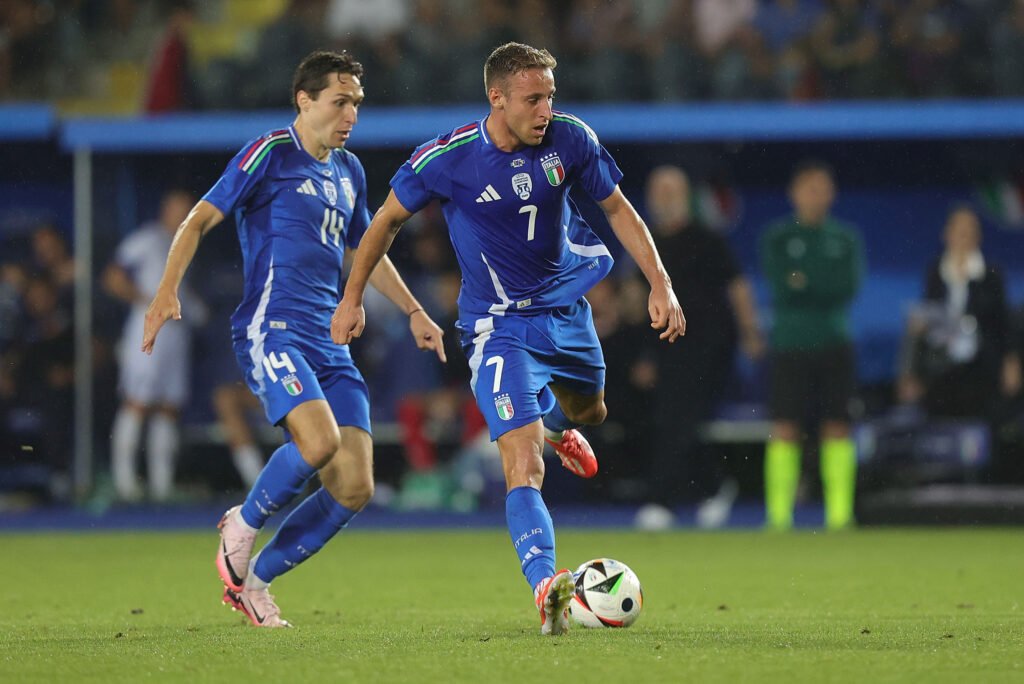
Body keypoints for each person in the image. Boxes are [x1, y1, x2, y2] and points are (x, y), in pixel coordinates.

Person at [332, 42, 685, 635]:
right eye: (532, 98)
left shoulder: (571, 139)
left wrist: (660, 283)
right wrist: (350, 299)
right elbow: (384, 222)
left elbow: (619, 208)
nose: (545, 108)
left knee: (591, 410)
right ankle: (547, 582)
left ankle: (557, 421)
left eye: (550, 95)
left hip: (567, 310)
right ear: (496, 98)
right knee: (523, 464)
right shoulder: (448, 159)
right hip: (498, 327)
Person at [142, 50, 445, 628]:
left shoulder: (348, 171)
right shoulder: (270, 153)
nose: (350, 113)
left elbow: (365, 250)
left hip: (329, 340)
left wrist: (413, 310)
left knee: (355, 484)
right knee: (318, 442)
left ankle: (255, 584)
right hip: (273, 328)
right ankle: (243, 522)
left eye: (356, 102)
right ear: (305, 101)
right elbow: (200, 218)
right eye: (340, 101)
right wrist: (166, 290)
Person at [636, 166, 763, 530]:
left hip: (707, 344)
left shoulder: (708, 239)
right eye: (658, 191)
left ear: (686, 196)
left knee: (680, 416)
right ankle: (713, 487)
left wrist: (751, 332)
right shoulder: (645, 242)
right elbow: (636, 297)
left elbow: (738, 287)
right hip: (664, 345)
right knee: (675, 419)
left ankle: (663, 499)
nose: (664, 198)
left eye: (671, 191)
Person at [760, 160, 863, 532]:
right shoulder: (778, 237)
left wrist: (806, 281)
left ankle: (839, 516)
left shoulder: (846, 238)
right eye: (809, 188)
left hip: (835, 342)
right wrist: (810, 283)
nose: (815, 196)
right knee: (785, 426)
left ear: (831, 194)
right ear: (795, 193)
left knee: (837, 426)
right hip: (790, 344)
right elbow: (782, 283)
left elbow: (845, 287)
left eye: (822, 188)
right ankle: (778, 517)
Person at [104, 189, 204, 502]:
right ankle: (125, 484)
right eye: (179, 208)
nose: (184, 214)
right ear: (165, 209)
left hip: (176, 334)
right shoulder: (148, 238)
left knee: (168, 407)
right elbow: (112, 277)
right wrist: (148, 302)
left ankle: (162, 485)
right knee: (138, 401)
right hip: (148, 331)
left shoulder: (187, 241)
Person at [898, 205, 1020, 419]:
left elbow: (1003, 320)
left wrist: (1011, 362)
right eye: (959, 229)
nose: (964, 235)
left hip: (982, 364)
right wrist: (911, 371)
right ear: (947, 234)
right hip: (943, 362)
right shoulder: (936, 271)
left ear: (978, 236)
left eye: (969, 230)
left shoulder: (991, 273)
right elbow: (928, 315)